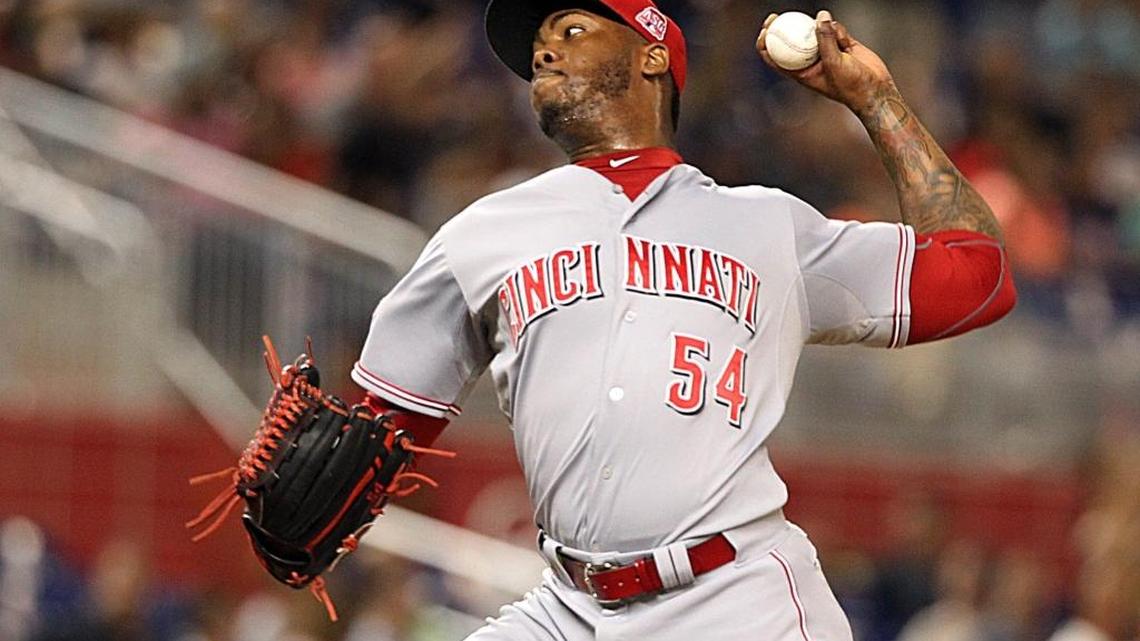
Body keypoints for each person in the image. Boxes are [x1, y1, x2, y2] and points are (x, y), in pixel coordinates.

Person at [350, 1, 1017, 638]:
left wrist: (875, 99)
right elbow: (374, 433)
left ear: (650, 57)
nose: (544, 50)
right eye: (537, 45)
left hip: (740, 601)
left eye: (573, 29)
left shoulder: (766, 225)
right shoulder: (483, 233)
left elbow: (977, 275)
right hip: (569, 606)